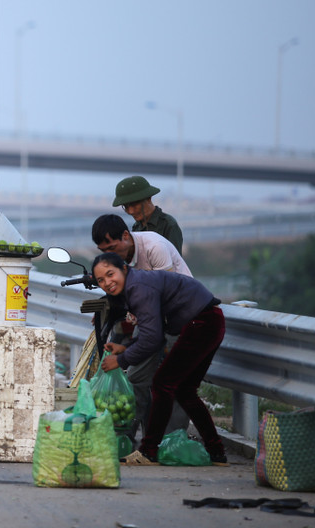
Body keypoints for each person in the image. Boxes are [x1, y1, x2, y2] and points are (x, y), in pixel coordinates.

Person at [93, 252, 227, 466]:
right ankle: (217, 453)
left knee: (162, 385)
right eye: (101, 280)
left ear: (124, 269)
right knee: (184, 391)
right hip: (209, 322)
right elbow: (151, 331)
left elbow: (153, 339)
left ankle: (148, 452)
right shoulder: (136, 284)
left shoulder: (138, 289)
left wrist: (121, 360)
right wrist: (125, 348)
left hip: (201, 324)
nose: (107, 283)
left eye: (111, 274)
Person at [91, 212, 192, 439]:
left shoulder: (154, 246)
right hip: (150, 319)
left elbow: (165, 293)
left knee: (173, 381)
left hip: (178, 317)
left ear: (126, 236)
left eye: (113, 247)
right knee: (136, 377)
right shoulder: (120, 261)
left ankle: (170, 442)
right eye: (103, 251)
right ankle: (123, 436)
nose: (110, 255)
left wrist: (127, 352)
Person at [112, 176, 183, 253]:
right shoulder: (137, 226)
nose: (131, 211)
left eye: (134, 205)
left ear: (148, 198)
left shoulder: (168, 224)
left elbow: (175, 260)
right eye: (126, 207)